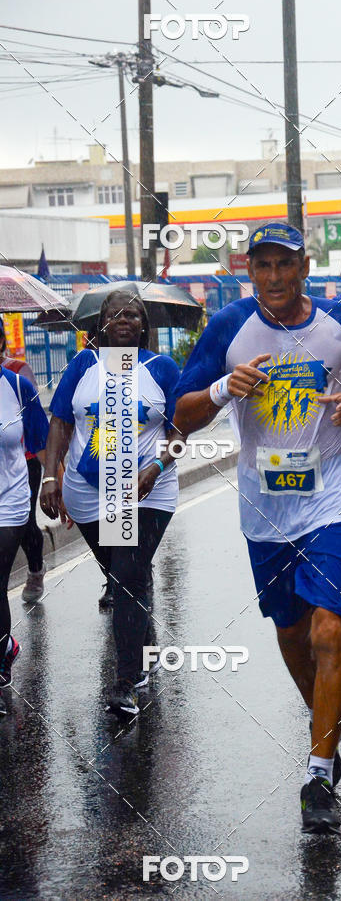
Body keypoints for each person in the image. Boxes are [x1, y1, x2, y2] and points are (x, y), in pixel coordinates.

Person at [173, 222, 341, 834]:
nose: (273, 277)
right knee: (292, 633)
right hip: (265, 506)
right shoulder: (228, 328)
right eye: (262, 266)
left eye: (284, 266)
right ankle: (327, 725)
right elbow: (183, 416)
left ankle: (318, 772)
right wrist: (221, 388)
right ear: (250, 271)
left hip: (334, 498)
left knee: (329, 627)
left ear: (304, 268)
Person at [40, 291, 180, 717]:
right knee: (120, 573)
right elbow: (62, 420)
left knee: (126, 579)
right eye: (115, 314)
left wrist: (156, 465)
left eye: (134, 314)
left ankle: (127, 682)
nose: (125, 320)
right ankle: (142, 629)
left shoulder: (162, 369)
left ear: (143, 325)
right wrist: (50, 474)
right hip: (88, 492)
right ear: (100, 323)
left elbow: (181, 431)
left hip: (146, 491)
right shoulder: (84, 365)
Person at [0, 361, 49, 715]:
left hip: (10, 500)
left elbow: (42, 441)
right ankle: (6, 647)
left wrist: (55, 482)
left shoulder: (18, 386)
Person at [0, 319, 47, 603]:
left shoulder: (19, 375)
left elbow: (39, 435)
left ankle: (35, 568)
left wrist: (56, 480)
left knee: (28, 521)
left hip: (24, 461)